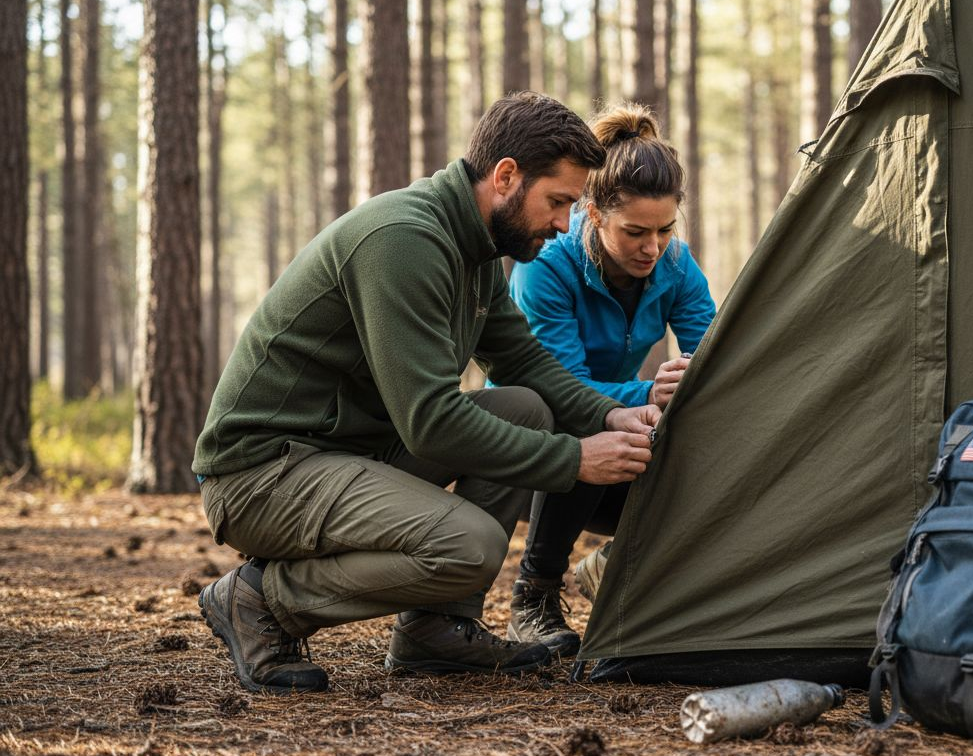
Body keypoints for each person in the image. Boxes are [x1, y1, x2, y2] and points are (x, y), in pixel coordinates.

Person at [192, 92, 662, 695]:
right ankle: (261, 601)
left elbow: (521, 361)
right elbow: (431, 424)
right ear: (506, 177)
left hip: (343, 453)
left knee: (525, 407)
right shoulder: (404, 241)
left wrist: (612, 414)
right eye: (558, 202)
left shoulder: (476, 247)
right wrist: (576, 459)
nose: (564, 224)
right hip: (262, 474)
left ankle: (436, 631)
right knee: (469, 545)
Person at [505, 104, 716, 655]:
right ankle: (534, 593)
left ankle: (615, 570)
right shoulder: (547, 263)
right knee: (583, 426)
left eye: (665, 230)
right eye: (636, 232)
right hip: (527, 454)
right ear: (593, 214)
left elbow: (716, 353)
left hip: (619, 446)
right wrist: (650, 393)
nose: (652, 247)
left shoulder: (675, 264)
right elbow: (558, 383)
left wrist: (700, 376)